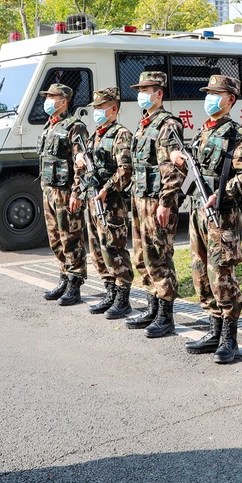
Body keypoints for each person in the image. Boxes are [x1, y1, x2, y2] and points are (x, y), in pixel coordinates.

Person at [173, 75, 242, 363]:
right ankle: (213, 329)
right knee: (200, 274)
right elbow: (194, 175)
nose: (210, 98)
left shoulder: (236, 134)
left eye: (216, 93)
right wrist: (182, 164)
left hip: (220, 215)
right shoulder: (203, 132)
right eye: (208, 93)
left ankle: (229, 338)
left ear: (230, 100)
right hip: (198, 213)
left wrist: (222, 195)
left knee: (221, 275)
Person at [124, 71, 185, 337]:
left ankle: (166, 315)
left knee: (159, 257)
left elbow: (172, 168)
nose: (141, 94)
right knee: (142, 257)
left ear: (159, 93)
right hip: (140, 198)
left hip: (156, 201)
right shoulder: (144, 123)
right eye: (139, 89)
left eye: (146, 89)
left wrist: (166, 202)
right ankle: (152, 307)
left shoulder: (167, 124)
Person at [74, 87, 135, 319]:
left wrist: (107, 189)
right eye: (95, 108)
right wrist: (79, 160)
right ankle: (109, 291)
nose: (96, 111)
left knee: (114, 248)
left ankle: (122, 297)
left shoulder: (121, 135)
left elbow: (125, 170)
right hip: (93, 200)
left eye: (100, 107)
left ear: (113, 109)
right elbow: (85, 168)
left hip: (111, 203)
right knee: (98, 249)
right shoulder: (94, 135)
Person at [37, 82, 90, 306]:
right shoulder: (50, 125)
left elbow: (81, 164)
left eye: (52, 97)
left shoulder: (75, 126)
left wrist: (77, 193)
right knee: (55, 238)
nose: (48, 101)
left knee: (71, 239)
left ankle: (75, 283)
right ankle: (63, 277)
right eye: (47, 96)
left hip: (66, 192)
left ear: (64, 100)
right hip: (49, 190)